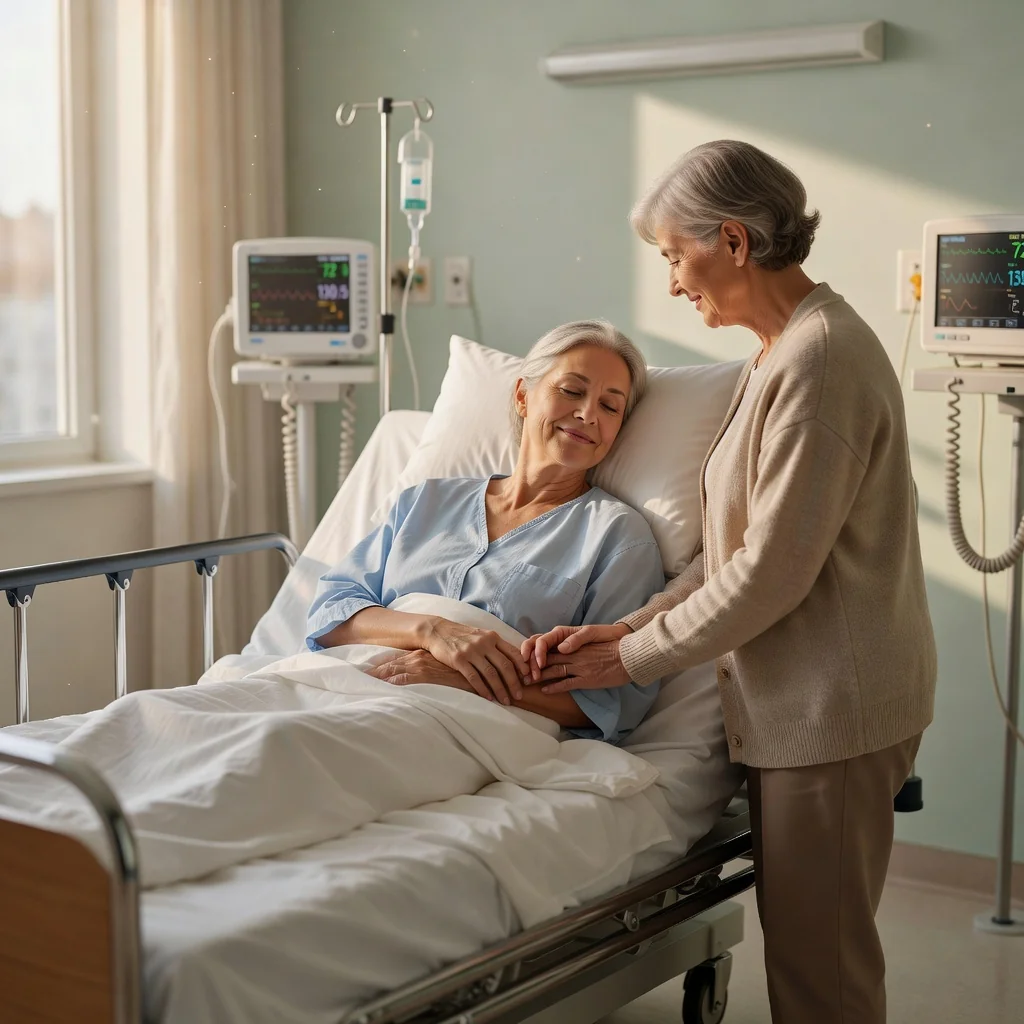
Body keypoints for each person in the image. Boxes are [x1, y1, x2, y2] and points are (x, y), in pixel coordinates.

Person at [522, 141, 937, 1023]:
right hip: (812, 701)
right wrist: (627, 628)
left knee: (821, 977)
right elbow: (731, 549)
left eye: (675, 254)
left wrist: (630, 658)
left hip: (832, 711)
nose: (672, 282)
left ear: (736, 242)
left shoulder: (818, 362)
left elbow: (768, 578)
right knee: (810, 958)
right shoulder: (776, 354)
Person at [306, 320, 666, 743]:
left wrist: (459, 678)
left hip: (459, 726)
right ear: (522, 396)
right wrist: (431, 631)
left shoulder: (618, 538)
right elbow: (331, 614)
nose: (588, 414)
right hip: (347, 685)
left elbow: (613, 701)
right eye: (571, 390)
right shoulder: (426, 501)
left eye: (610, 406)